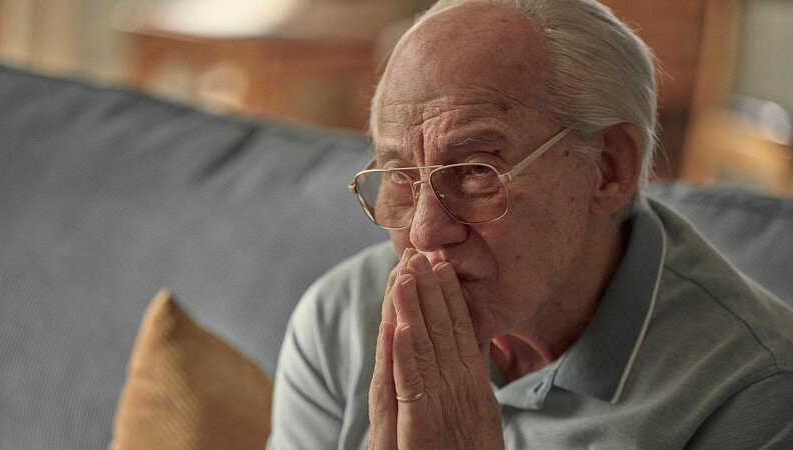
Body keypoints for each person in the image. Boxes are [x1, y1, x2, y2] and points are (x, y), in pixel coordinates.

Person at [268, 0, 793, 448]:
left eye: (476, 171)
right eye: (403, 177)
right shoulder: (339, 322)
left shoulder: (758, 395)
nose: (425, 233)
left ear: (609, 167)